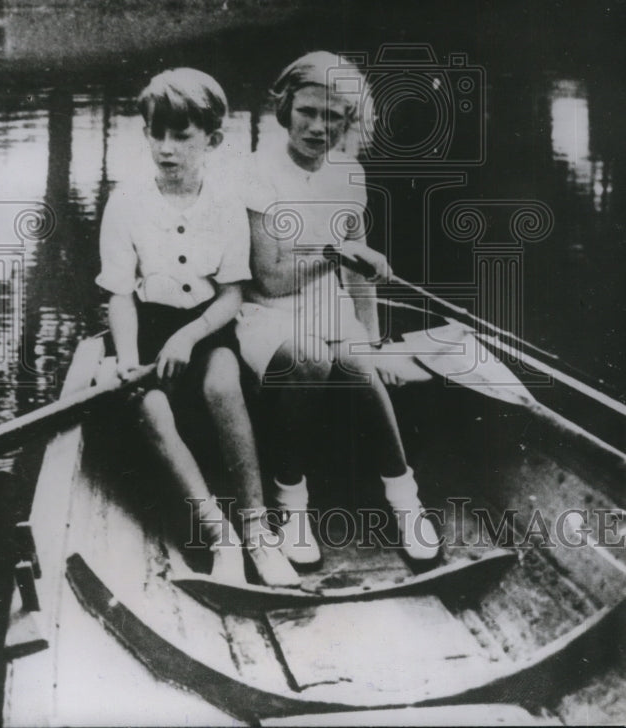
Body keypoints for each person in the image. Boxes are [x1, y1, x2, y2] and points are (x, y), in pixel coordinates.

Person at [96, 67, 298, 587]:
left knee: (223, 383)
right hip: (144, 327)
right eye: (155, 134)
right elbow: (120, 294)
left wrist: (189, 335)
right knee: (151, 405)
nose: (166, 148)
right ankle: (218, 533)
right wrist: (125, 360)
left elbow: (231, 294)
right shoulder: (125, 202)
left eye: (181, 135)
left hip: (206, 327)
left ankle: (258, 531)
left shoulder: (225, 201)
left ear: (211, 139)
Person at [236, 52, 439, 567]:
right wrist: (337, 252)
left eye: (333, 117)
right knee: (309, 357)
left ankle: (405, 502)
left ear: (349, 122)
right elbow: (271, 276)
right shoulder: (257, 171)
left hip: (331, 313)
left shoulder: (349, 173)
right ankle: (292, 506)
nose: (318, 126)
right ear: (284, 108)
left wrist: (373, 344)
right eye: (307, 111)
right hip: (268, 317)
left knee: (352, 361)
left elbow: (359, 275)